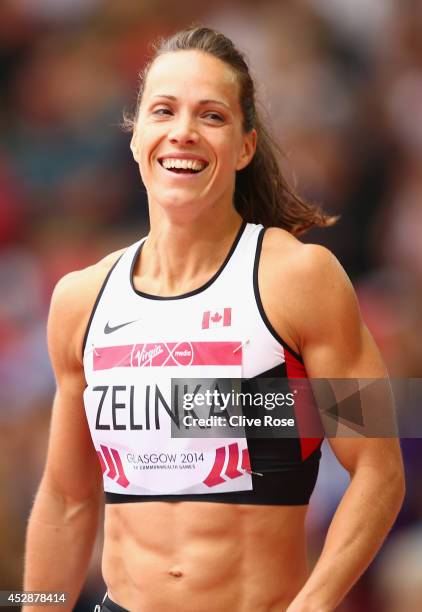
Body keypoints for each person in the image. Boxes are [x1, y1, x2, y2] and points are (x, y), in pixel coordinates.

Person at [23, 27, 405, 612]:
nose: (183, 131)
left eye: (211, 116)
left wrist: (312, 604)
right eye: (164, 110)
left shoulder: (303, 279)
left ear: (245, 146)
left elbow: (380, 469)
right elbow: (67, 499)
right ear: (136, 136)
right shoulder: (81, 297)